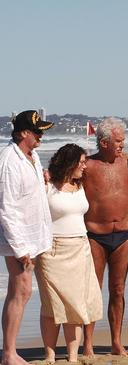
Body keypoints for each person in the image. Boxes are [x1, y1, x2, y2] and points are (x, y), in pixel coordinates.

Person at [36, 144, 102, 363]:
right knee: (51, 304)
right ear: (70, 162)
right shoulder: (47, 185)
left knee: (76, 303)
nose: (85, 166)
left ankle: (72, 356)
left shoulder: (81, 184)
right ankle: (50, 355)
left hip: (80, 249)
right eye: (81, 162)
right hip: (52, 250)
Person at [0, 110, 53, 365]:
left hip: (32, 234)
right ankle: (9, 353)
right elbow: (6, 207)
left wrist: (43, 182)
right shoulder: (9, 160)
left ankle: (10, 351)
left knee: (20, 291)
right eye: (37, 132)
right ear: (23, 133)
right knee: (21, 290)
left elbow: (30, 195)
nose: (41, 136)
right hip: (17, 237)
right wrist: (20, 247)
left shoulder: (32, 156)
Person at [82, 117, 128, 356]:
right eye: (118, 141)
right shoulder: (87, 166)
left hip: (124, 235)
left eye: (123, 140)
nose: (122, 144)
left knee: (119, 289)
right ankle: (89, 344)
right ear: (103, 142)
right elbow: (60, 179)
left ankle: (116, 341)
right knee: (93, 290)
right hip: (95, 235)